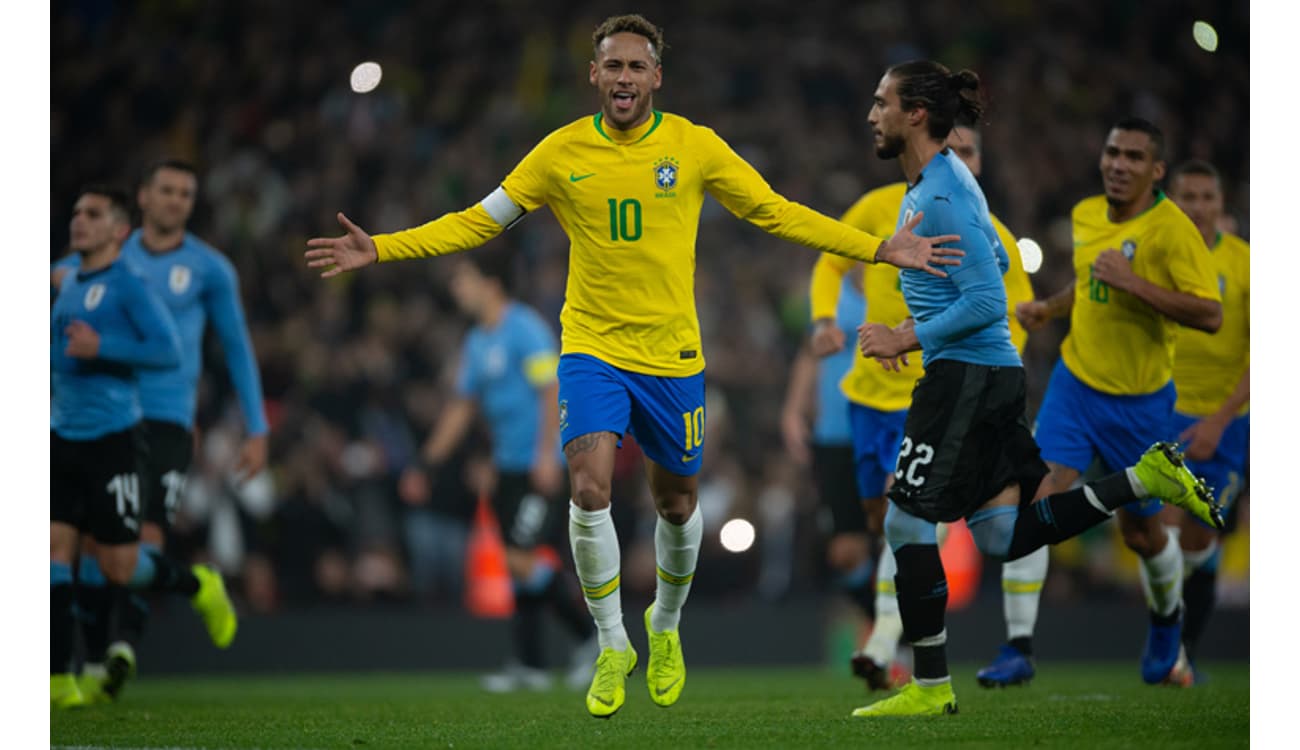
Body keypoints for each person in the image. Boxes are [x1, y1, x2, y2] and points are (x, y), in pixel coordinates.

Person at [305, 14, 964, 719]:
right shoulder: (558, 153)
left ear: (656, 77)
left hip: (674, 355)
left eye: (635, 67)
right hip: (591, 348)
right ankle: (614, 641)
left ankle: (665, 627)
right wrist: (384, 247)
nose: (623, 78)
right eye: (611, 66)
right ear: (594, 75)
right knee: (588, 490)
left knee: (677, 502)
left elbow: (773, 211)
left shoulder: (695, 145)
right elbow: (478, 219)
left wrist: (876, 248)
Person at [847, 61, 1221, 719]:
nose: (871, 115)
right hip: (988, 376)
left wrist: (907, 336)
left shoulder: (937, 194)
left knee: (907, 518)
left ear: (916, 116)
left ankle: (929, 688)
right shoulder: (944, 183)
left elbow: (989, 299)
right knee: (998, 537)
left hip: (964, 377)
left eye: (882, 103)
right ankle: (1141, 481)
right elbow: (991, 258)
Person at [807, 123, 1043, 690]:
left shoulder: (992, 233)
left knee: (906, 515)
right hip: (867, 398)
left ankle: (891, 640)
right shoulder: (884, 205)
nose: (954, 160)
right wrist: (822, 319)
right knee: (876, 524)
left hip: (936, 397)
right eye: (947, 149)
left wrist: (976, 379)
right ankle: (897, 631)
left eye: (966, 153)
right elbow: (830, 260)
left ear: (978, 166)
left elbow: (1016, 319)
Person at [1013, 118, 1226, 686]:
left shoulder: (1171, 231)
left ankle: (1166, 623)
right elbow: (1090, 283)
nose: (1118, 164)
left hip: (1141, 404)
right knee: (1040, 504)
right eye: (1112, 152)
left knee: (1141, 534)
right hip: (1076, 385)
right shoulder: (1086, 215)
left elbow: (1210, 314)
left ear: (1156, 171)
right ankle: (1016, 648)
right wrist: (1049, 310)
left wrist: (1135, 283)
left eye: (1134, 156)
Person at [53, 160, 254, 701]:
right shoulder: (101, 256)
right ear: (143, 198)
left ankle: (124, 647)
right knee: (96, 547)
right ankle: (96, 660)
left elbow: (236, 348)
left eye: (186, 194)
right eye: (166, 190)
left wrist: (256, 429)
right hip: (110, 415)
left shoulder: (210, 269)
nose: (175, 201)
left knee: (142, 537)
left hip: (167, 419)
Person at [399, 247, 598, 692]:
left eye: (463, 279)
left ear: (491, 284)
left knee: (519, 558)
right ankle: (532, 664)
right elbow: (462, 409)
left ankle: (595, 641)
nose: (457, 288)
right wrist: (426, 463)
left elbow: (552, 392)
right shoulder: (477, 341)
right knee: (518, 567)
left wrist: (547, 455)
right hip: (508, 468)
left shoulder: (525, 328)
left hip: (537, 465)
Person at [51, 186, 185, 708]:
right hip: (62, 438)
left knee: (118, 568)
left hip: (114, 442)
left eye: (93, 214)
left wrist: (102, 347)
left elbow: (167, 351)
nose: (79, 220)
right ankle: (61, 679)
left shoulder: (129, 286)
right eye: (76, 211)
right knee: (54, 553)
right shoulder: (64, 284)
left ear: (118, 231)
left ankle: (195, 585)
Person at [1163, 159, 1249, 684]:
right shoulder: (1157, 256)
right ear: (1172, 202)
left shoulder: (1246, 264)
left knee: (1198, 542)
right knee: (1160, 530)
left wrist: (1219, 419)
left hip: (1227, 420)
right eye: (1187, 197)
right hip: (1161, 410)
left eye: (1206, 197)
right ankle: (1166, 650)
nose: (1197, 207)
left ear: (1221, 204)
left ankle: (1183, 649)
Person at [780, 274, 871, 644]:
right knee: (845, 551)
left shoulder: (902, 284)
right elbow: (808, 353)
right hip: (834, 434)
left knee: (898, 532)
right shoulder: (830, 293)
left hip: (887, 428)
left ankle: (900, 638)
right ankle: (887, 628)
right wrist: (793, 412)